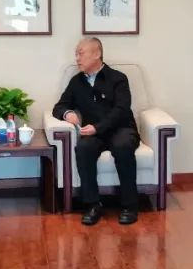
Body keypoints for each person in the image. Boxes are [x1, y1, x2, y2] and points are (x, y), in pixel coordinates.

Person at [53, 37, 140, 226]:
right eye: (76, 54)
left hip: (121, 128)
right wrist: (67, 114)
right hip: (93, 133)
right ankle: (92, 205)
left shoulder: (118, 78)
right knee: (83, 149)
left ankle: (129, 205)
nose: (77, 58)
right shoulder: (77, 82)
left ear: (97, 54)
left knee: (122, 146)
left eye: (80, 53)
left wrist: (98, 127)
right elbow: (59, 106)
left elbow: (121, 109)